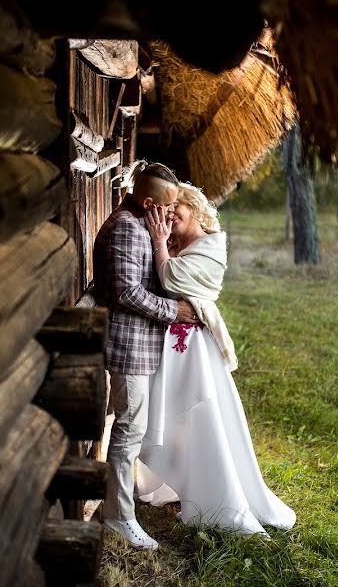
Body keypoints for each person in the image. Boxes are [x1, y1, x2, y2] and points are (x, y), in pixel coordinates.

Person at [136, 182, 296, 535]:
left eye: (177, 207)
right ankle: (176, 480)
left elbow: (173, 278)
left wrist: (161, 244)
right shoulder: (181, 242)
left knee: (198, 412)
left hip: (194, 348)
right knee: (174, 415)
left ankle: (212, 492)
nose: (170, 213)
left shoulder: (212, 245)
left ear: (194, 207)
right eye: (167, 209)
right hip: (178, 343)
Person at [92, 161, 198, 550]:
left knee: (131, 428)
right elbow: (126, 293)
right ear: (148, 200)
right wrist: (176, 312)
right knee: (128, 430)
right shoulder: (125, 227)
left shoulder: (142, 225)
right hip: (127, 345)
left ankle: (118, 504)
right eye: (168, 206)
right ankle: (119, 517)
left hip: (138, 344)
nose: (172, 213)